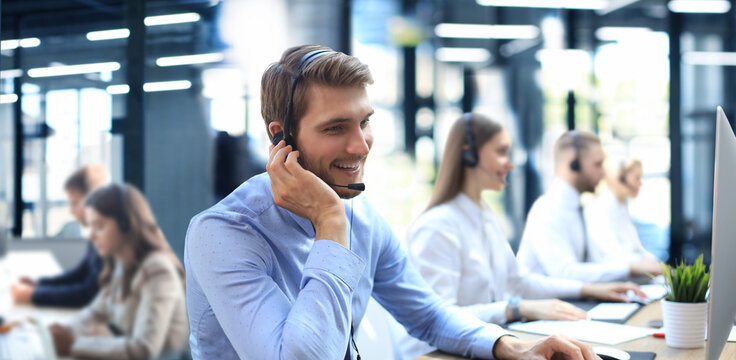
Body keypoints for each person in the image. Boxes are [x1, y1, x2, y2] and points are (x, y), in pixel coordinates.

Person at [185, 44, 602, 360]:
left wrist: (509, 347)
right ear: (281, 136)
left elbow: (428, 314)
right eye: (335, 128)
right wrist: (330, 223)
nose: (360, 145)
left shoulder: (360, 216)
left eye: (365, 121)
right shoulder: (223, 234)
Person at [399, 114, 644, 359]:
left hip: (483, 347)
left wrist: (590, 289)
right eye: (501, 151)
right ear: (469, 154)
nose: (510, 163)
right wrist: (516, 308)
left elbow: (519, 281)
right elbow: (440, 319)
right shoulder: (437, 226)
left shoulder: (484, 215)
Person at [47, 183, 189, 360]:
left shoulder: (158, 271)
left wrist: (73, 344)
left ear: (126, 225)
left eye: (99, 226)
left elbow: (143, 348)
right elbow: (95, 312)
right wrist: (65, 330)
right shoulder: (123, 265)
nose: (91, 236)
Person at [516, 131, 661, 283]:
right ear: (574, 164)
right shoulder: (546, 210)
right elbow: (564, 273)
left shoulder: (577, 209)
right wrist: (630, 267)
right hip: (541, 305)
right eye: (598, 164)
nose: (604, 172)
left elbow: (595, 264)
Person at [10, 165, 106, 307]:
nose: (71, 212)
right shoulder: (96, 234)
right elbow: (79, 274)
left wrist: (33, 295)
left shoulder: (108, 237)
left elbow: (88, 294)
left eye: (74, 203)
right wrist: (39, 283)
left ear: (93, 199)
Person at [584, 158, 658, 264]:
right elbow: (611, 256)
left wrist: (657, 265)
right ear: (620, 178)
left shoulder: (621, 208)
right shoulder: (599, 208)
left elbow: (637, 249)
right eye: (637, 178)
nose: (640, 184)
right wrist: (649, 265)